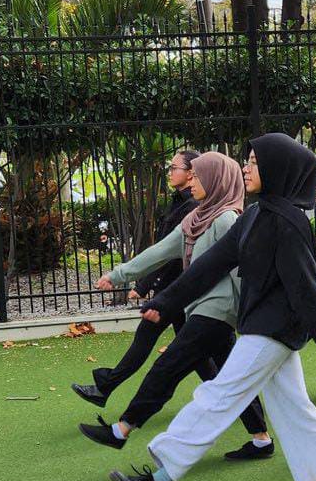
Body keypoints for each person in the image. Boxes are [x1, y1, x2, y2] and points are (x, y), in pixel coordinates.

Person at [109, 133, 316, 481]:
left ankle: (159, 480)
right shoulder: (256, 216)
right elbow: (209, 266)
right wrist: (164, 302)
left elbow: (308, 291)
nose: (246, 167)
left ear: (278, 170)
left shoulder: (288, 223)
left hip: (272, 331)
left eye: (255, 162)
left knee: (219, 395)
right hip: (261, 326)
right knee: (296, 412)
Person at [77, 153, 274, 461]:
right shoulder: (194, 219)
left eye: (197, 176)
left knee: (166, 368)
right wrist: (118, 275)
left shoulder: (227, 220)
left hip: (217, 311)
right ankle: (262, 440)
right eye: (191, 175)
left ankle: (122, 429)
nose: (191, 181)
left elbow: (243, 271)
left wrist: (245, 313)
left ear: (215, 180)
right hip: (199, 310)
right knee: (229, 377)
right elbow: (159, 252)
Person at [72, 149, 200, 407]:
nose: (170, 172)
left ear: (190, 173)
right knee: (197, 352)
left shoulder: (192, 206)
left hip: (177, 291)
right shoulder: (181, 202)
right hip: (172, 289)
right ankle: (105, 387)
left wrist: (142, 284)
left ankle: (237, 399)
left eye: (175, 168)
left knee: (198, 353)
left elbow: (167, 253)